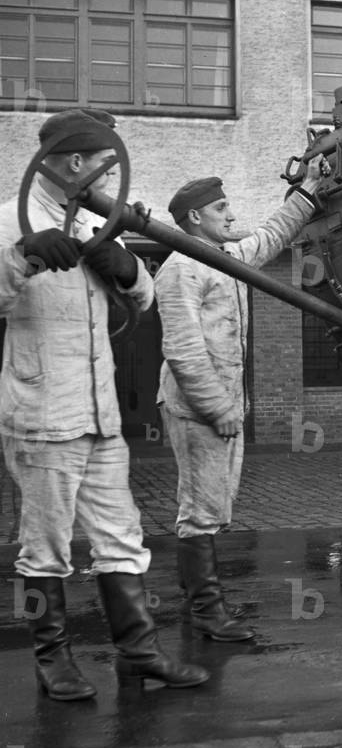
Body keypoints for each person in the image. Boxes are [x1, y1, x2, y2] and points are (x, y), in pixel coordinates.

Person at [0, 108, 208, 700]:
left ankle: (140, 652)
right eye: (102, 168)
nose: (109, 183)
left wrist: (128, 269)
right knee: (46, 545)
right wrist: (21, 258)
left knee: (121, 536)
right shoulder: (10, 220)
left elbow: (142, 298)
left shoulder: (99, 221)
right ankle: (52, 658)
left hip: (99, 417)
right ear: (73, 164)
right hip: (42, 416)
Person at [156, 158, 328, 641]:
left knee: (213, 506)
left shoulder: (221, 256)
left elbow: (270, 236)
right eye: (220, 207)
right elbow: (184, 350)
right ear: (194, 218)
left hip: (220, 407)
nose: (231, 215)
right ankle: (208, 615)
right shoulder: (181, 270)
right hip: (198, 409)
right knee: (201, 509)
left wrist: (310, 192)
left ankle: (199, 609)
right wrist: (219, 408)